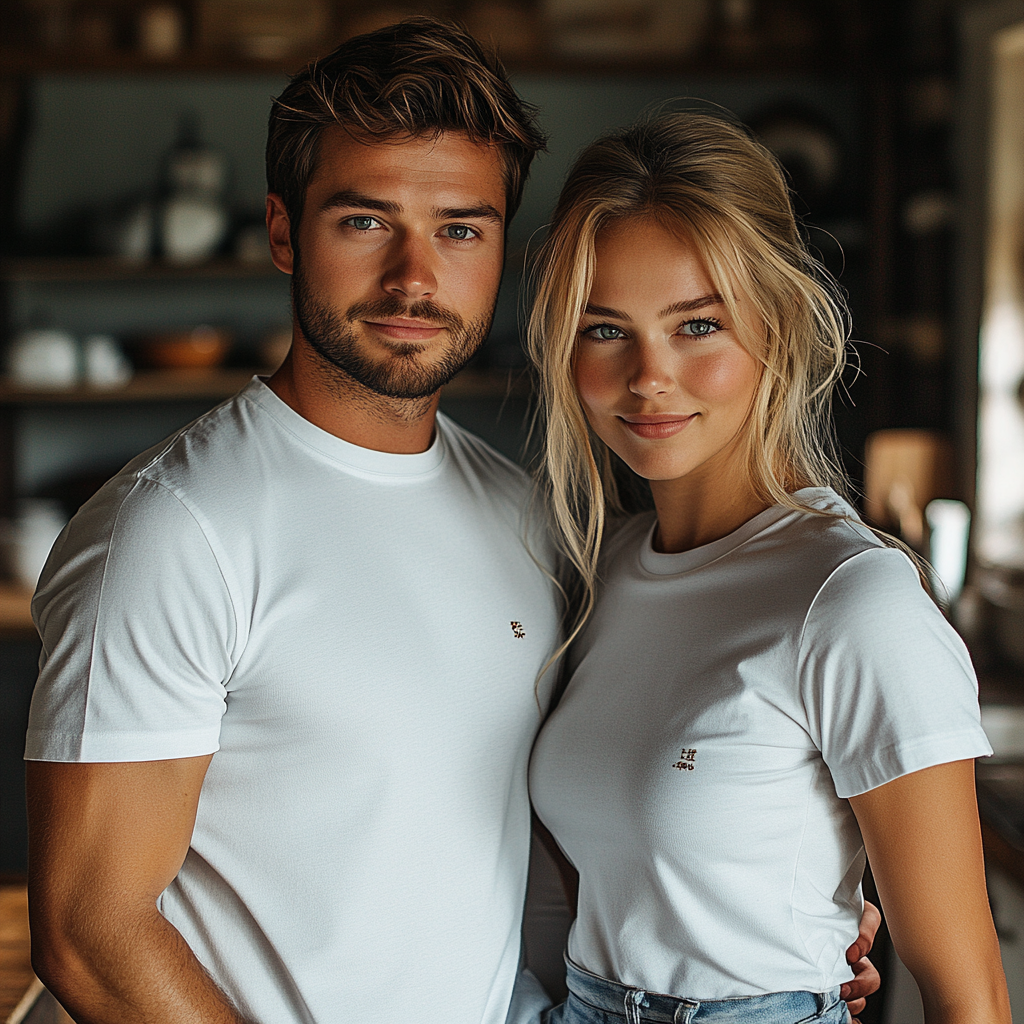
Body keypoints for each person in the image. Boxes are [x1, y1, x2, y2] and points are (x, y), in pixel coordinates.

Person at [22, 22, 879, 1024]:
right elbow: (91, 930)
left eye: (459, 229)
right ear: (283, 230)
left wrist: (748, 941)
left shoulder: (529, 519)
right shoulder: (174, 533)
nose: (414, 280)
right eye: (363, 223)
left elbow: (561, 834)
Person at [526, 112, 1010, 1024]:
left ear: (777, 325)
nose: (648, 377)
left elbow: (969, 993)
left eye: (697, 326)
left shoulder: (851, 599)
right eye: (605, 330)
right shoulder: (608, 571)